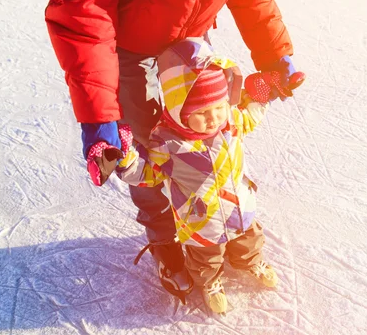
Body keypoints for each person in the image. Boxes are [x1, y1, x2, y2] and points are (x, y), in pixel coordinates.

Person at [43, 0, 300, 302]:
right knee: (153, 150)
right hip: (127, 46)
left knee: (209, 129)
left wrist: (274, 53)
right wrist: (99, 115)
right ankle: (166, 237)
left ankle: (225, 224)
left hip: (192, 41)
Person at [113, 38, 304, 313]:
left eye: (218, 107)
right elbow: (149, 175)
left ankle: (250, 261)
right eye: (201, 112)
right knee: (206, 257)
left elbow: (249, 117)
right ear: (180, 112)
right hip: (201, 221)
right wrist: (127, 159)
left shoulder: (230, 122)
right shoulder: (169, 144)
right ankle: (210, 281)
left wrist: (262, 95)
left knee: (249, 239)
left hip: (240, 207)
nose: (213, 118)